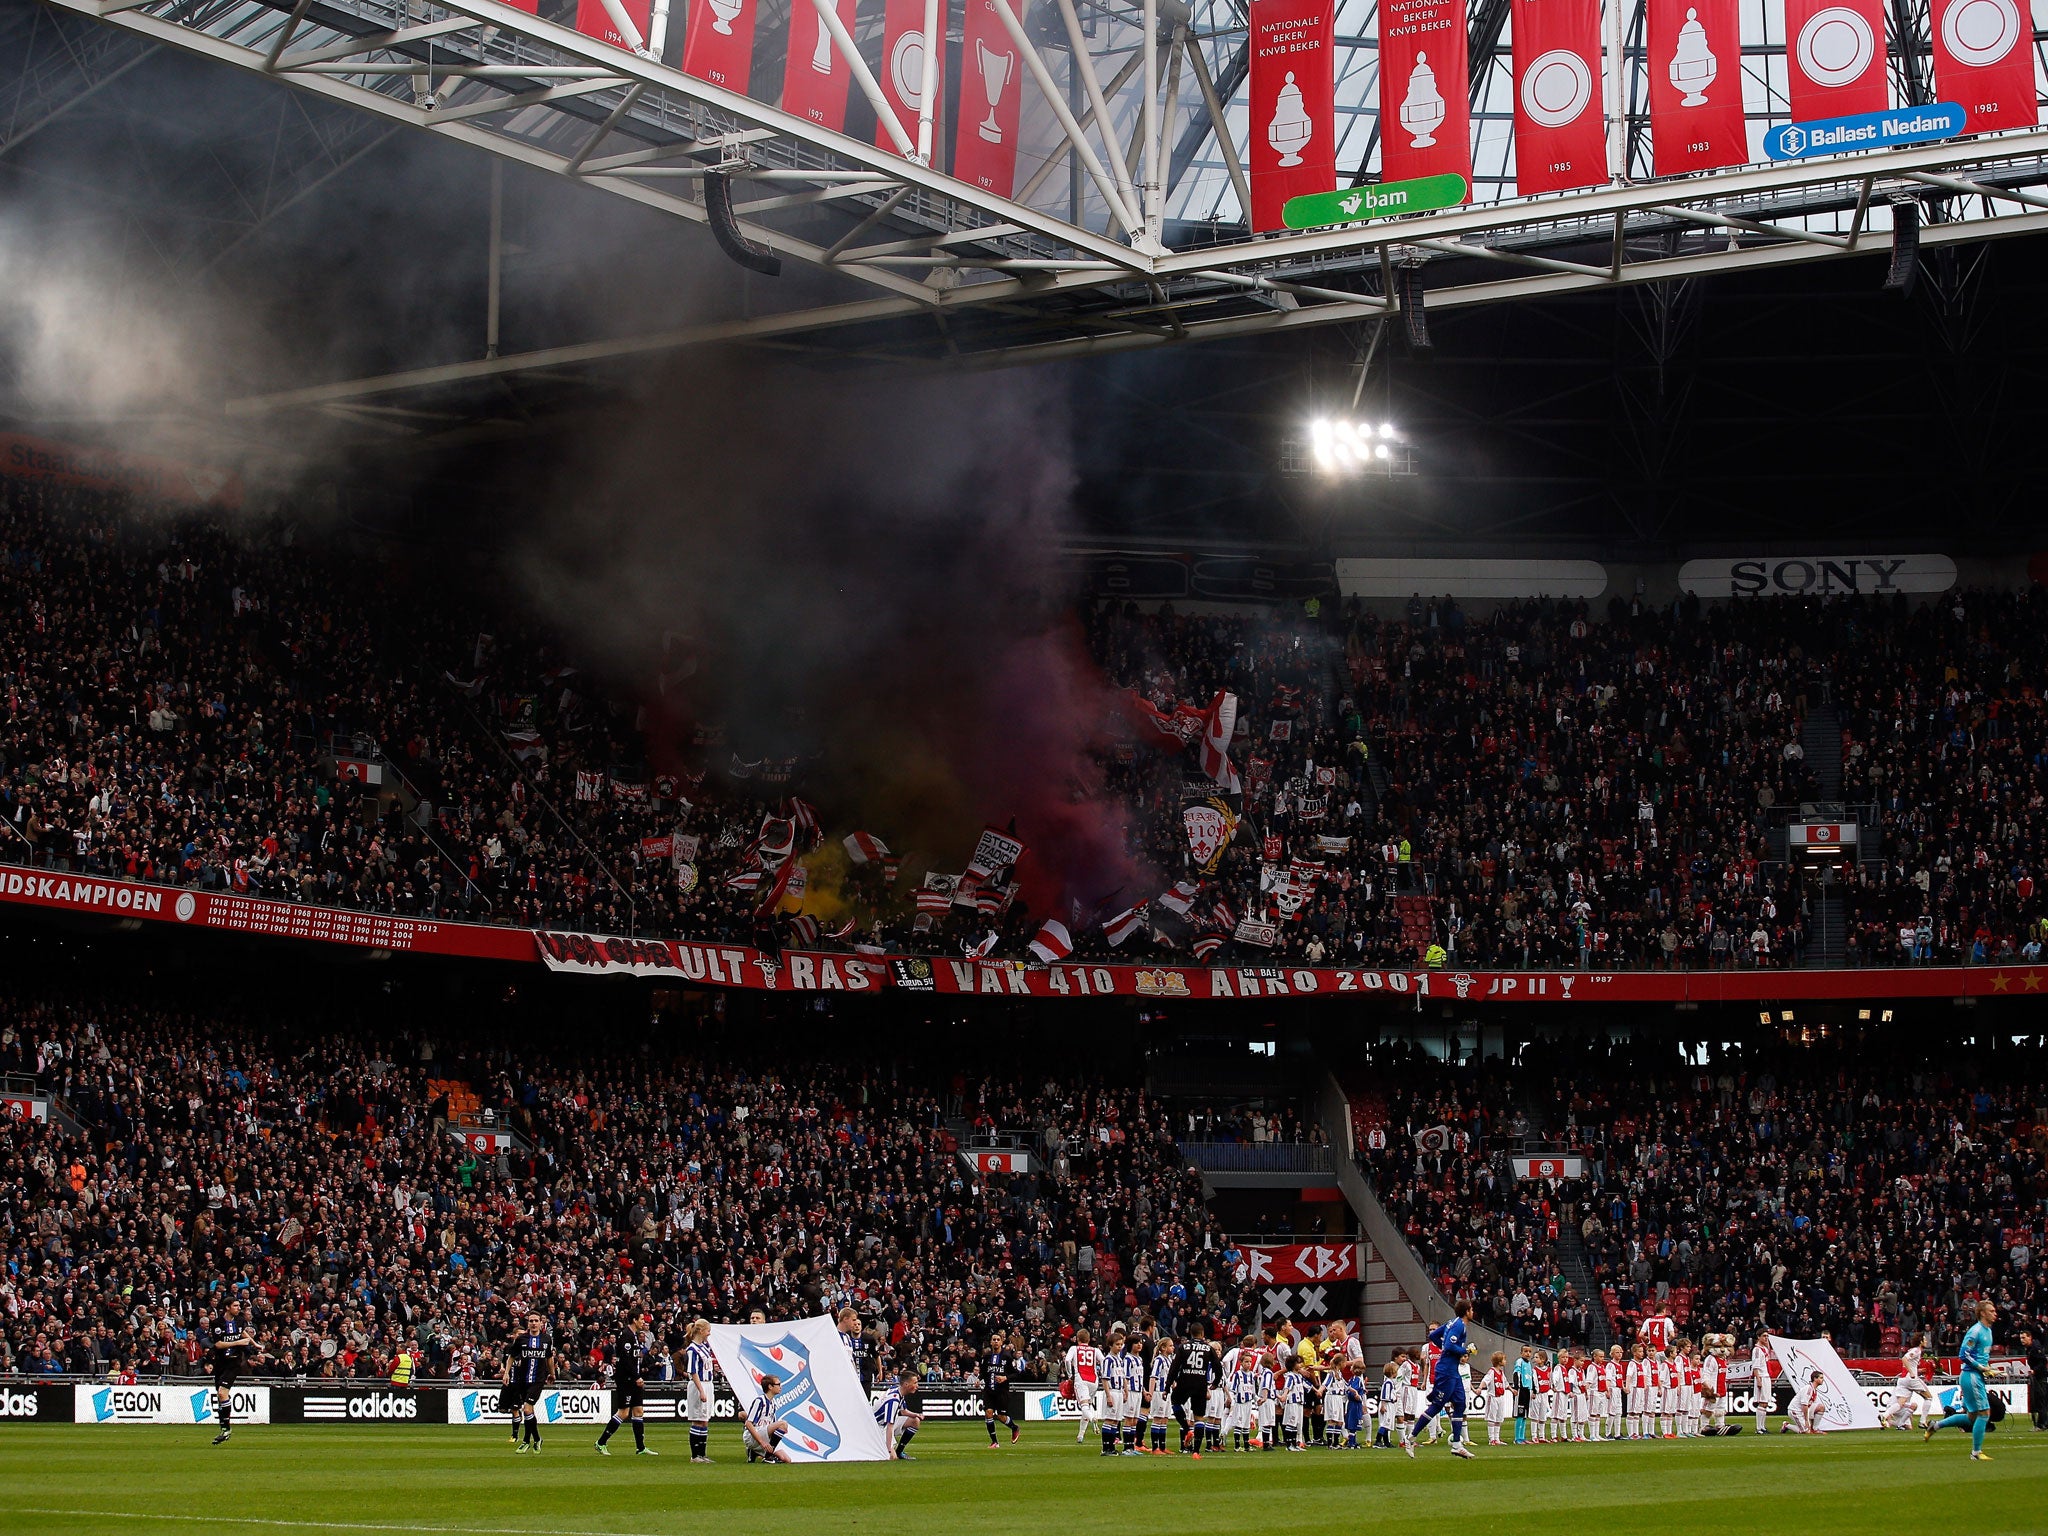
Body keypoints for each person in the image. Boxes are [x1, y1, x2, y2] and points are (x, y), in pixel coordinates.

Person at [1402, 1298, 1476, 1460]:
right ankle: (1411, 1438)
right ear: (1466, 1312)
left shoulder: (1451, 1322)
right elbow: (1449, 1346)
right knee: (1437, 1406)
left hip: (1452, 1371)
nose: (1473, 1312)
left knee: (1460, 1404)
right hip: (1446, 1371)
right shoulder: (1459, 1325)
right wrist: (1464, 1350)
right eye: (1471, 1309)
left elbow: (1434, 1335)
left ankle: (1457, 1444)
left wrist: (1444, 1346)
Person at [1926, 1298, 1998, 1461]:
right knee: (1984, 1413)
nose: (1995, 1313)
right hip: (1971, 1376)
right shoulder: (1976, 1331)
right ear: (1982, 1313)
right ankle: (1976, 1453)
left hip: (1976, 1375)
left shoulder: (1988, 1331)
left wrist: (1987, 1370)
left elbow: (1981, 1356)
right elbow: (1963, 1354)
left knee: (1971, 1416)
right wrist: (1981, 1368)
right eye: (1991, 1311)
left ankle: (1935, 1425)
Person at [594, 1309, 655, 1456]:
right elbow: (626, 1360)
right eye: (641, 1319)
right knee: (623, 1412)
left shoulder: (633, 1336)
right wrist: (636, 1377)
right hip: (626, 1380)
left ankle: (640, 1448)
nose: (643, 1322)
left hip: (633, 1379)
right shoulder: (626, 1335)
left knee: (638, 1411)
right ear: (634, 1320)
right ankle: (601, 1442)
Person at [209, 1302, 255, 1446]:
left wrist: (254, 1343)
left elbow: (243, 1332)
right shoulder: (217, 1323)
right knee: (220, 1395)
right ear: (227, 1307)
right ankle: (224, 1429)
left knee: (222, 1393)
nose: (238, 1308)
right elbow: (218, 1344)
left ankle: (227, 1429)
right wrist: (239, 1342)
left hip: (234, 1362)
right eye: (235, 1306)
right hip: (220, 1362)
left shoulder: (240, 1321)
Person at [1170, 1320, 1217, 1455]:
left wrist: (1168, 1385)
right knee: (1199, 1417)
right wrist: (1215, 1382)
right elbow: (1217, 1367)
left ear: (1190, 1333)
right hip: (1200, 1383)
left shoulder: (1183, 1347)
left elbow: (1174, 1367)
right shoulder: (1208, 1348)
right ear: (1202, 1334)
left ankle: (1186, 1428)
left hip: (1184, 1381)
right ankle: (1196, 1451)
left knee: (1175, 1402)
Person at [509, 1311, 552, 1453]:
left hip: (538, 1380)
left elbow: (549, 1358)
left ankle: (528, 1441)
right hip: (523, 1380)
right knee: (529, 1411)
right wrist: (506, 1373)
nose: (533, 1323)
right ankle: (534, 1439)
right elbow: (512, 1356)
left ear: (541, 1323)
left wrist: (552, 1373)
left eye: (536, 1320)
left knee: (527, 1409)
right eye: (531, 1321)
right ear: (528, 1323)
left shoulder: (546, 1339)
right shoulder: (521, 1339)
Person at [1884, 1333, 1938, 1431]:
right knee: (1929, 1397)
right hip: (1910, 1378)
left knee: (1901, 1403)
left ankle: (1884, 1416)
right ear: (1920, 1342)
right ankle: (1922, 1421)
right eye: (1924, 1340)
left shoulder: (1915, 1351)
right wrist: (1912, 1372)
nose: (1926, 1341)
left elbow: (1910, 1364)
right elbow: (1904, 1358)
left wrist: (1919, 1371)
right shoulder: (1916, 1350)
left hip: (1903, 1379)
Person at [1062, 1327, 1104, 1447]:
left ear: (1077, 1339)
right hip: (1094, 1381)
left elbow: (1067, 1360)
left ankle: (1093, 1418)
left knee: (1084, 1406)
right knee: (1088, 1405)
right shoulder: (1095, 1350)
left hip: (1081, 1379)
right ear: (1089, 1339)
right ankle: (1080, 1435)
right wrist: (1102, 1373)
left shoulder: (1074, 1349)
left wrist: (1070, 1374)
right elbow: (1104, 1361)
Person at [683, 1318, 717, 1463]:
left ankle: (702, 1454)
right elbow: (693, 1371)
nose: (709, 1334)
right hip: (699, 1384)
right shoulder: (692, 1349)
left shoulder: (705, 1347)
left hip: (708, 1383)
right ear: (701, 1331)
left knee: (704, 1419)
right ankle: (695, 1455)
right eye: (708, 1330)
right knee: (697, 1419)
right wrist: (701, 1390)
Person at [982, 1329, 1023, 1448]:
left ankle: (1014, 1427)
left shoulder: (1007, 1357)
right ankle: (994, 1442)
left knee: (1001, 1416)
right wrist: (979, 1380)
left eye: (998, 1340)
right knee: (988, 1413)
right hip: (989, 1390)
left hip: (1002, 1392)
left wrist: (1005, 1377)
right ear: (990, 1342)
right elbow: (984, 1373)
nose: (995, 1342)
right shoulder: (987, 1357)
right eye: (994, 1340)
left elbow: (1017, 1374)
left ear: (1001, 1342)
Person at [744, 1375, 793, 1463]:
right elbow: (748, 1423)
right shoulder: (760, 1401)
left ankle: (755, 1452)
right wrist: (762, 1442)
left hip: (764, 1435)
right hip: (752, 1436)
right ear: (770, 1387)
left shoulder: (773, 1404)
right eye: (778, 1384)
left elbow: (771, 1426)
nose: (780, 1387)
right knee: (783, 1424)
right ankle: (768, 1457)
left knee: (787, 1460)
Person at [873, 1371, 922, 1459]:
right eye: (915, 1383)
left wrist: (916, 1415)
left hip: (886, 1423)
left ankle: (899, 1451)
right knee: (892, 1457)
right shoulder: (893, 1400)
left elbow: (904, 1411)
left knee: (915, 1421)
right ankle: (889, 1450)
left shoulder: (898, 1390)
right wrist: (889, 1450)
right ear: (906, 1384)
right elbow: (889, 1426)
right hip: (878, 1427)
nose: (917, 1386)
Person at [1147, 1334, 1177, 1454]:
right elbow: (1153, 1377)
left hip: (1167, 1392)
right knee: (1158, 1419)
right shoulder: (1159, 1360)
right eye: (1171, 1346)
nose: (1173, 1348)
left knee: (1165, 1419)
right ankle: (1155, 1448)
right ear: (1163, 1348)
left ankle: (1163, 1447)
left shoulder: (1169, 1360)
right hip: (1159, 1392)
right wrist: (1150, 1393)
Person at [1482, 1352, 1510, 1446]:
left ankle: (1497, 1438)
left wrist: (1511, 1389)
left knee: (1499, 1418)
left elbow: (1505, 1383)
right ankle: (1491, 1439)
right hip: (1493, 1397)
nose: (1505, 1361)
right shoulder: (1492, 1371)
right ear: (1499, 1361)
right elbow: (1485, 1380)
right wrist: (1480, 1388)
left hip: (1501, 1397)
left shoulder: (1501, 1373)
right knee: (1492, 1418)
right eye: (1504, 1359)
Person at [1749, 1336, 1774, 1436]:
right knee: (1762, 1402)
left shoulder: (1765, 1349)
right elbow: (1755, 1366)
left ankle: (1762, 1427)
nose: (1766, 1338)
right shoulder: (1756, 1350)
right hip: (1762, 1377)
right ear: (1758, 1337)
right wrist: (1758, 1379)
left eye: (1767, 1336)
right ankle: (1759, 1428)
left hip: (1767, 1376)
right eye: (1764, 1336)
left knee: (1766, 1403)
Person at [1511, 1345, 1535, 1446]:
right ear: (1521, 1353)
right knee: (1519, 1415)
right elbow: (1516, 1374)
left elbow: (1531, 1378)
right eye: (1525, 1351)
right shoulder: (1519, 1362)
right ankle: (1517, 1438)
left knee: (1524, 1415)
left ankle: (1522, 1437)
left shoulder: (1529, 1364)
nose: (1528, 1353)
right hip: (1521, 1390)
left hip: (1527, 1390)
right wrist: (1516, 1387)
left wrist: (1533, 1390)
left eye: (1529, 1351)